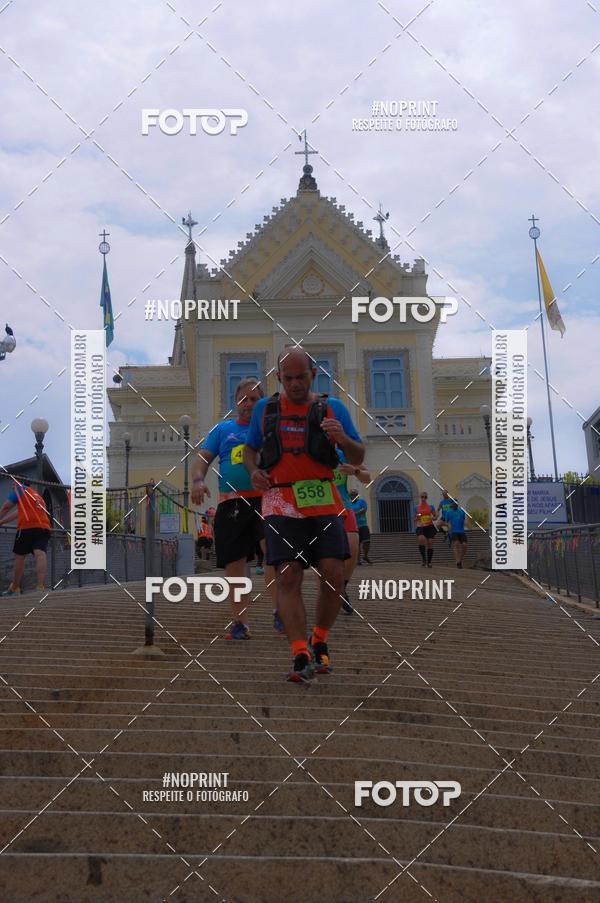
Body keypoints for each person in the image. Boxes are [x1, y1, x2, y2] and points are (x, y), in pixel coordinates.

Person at [243, 346, 364, 683]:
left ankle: (319, 638)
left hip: (323, 496)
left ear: (314, 375)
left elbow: (358, 451)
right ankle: (299, 652)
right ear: (279, 378)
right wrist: (253, 470)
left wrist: (341, 438)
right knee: (287, 574)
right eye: (289, 378)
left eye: (302, 377)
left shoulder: (332, 407)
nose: (295, 384)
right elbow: (251, 450)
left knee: (333, 573)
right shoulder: (266, 410)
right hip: (280, 499)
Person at [191, 378, 280, 639]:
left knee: (274, 555)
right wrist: (197, 480)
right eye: (243, 399)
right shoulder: (223, 430)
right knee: (234, 565)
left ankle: (280, 612)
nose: (248, 404)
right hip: (232, 503)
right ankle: (241, 622)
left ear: (261, 403)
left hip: (267, 499)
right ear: (235, 402)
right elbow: (202, 459)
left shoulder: (269, 430)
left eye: (254, 399)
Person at [0, 480, 52, 595]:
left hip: (27, 527)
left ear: (17, 483)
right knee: (40, 554)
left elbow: (6, 507)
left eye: (13, 485)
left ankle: (15, 587)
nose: (12, 488)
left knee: (19, 557)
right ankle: (40, 587)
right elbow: (19, 512)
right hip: (44, 527)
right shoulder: (35, 495)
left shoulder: (19, 489)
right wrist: (2, 521)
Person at [333, 456, 370, 614]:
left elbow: (366, 476)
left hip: (344, 507)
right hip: (321, 509)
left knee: (353, 548)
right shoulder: (309, 450)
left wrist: (355, 471)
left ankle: (342, 588)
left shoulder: (342, 455)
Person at [415, 490, 436, 568]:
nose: (423, 498)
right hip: (420, 526)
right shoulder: (416, 507)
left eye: (425, 497)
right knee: (421, 539)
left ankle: (429, 562)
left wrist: (432, 517)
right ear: (420, 498)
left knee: (430, 542)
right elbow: (414, 518)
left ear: (427, 498)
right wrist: (417, 517)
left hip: (429, 526)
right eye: (422, 497)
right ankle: (424, 559)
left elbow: (435, 516)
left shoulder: (431, 507)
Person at [350, 491, 371, 564]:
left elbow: (364, 509)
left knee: (367, 541)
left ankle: (365, 556)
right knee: (357, 544)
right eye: (351, 495)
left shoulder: (361, 501)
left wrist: (355, 514)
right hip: (354, 526)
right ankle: (358, 560)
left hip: (363, 525)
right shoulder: (348, 504)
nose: (353, 496)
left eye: (355, 495)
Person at [446, 500, 468, 568]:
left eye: (455, 503)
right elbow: (448, 522)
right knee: (456, 544)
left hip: (461, 531)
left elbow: (463, 521)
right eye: (453, 503)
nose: (454, 504)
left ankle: (460, 560)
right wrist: (449, 528)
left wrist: (467, 525)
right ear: (452, 504)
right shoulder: (449, 512)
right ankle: (457, 561)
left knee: (464, 545)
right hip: (454, 531)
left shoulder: (461, 512)